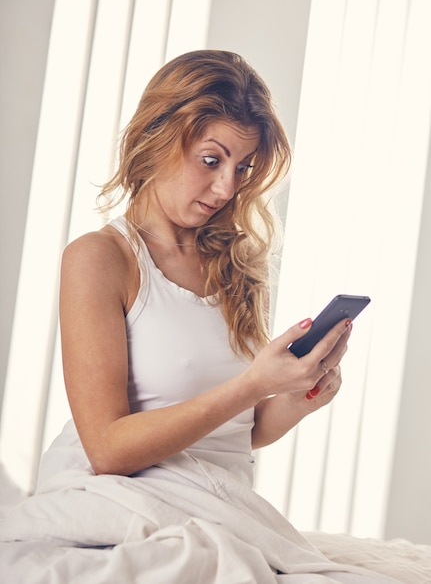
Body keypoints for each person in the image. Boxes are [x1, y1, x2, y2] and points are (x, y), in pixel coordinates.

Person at [0, 50, 401, 584]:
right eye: (212, 160)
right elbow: (107, 449)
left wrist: (296, 396)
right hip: (123, 496)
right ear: (159, 137)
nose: (227, 188)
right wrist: (251, 384)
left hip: (217, 502)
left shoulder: (236, 263)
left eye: (243, 168)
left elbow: (238, 432)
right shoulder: (101, 259)